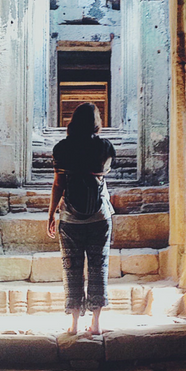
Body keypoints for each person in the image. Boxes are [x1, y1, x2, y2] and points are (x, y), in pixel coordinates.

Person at [47, 102, 115, 335]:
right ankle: (95, 324)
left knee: (71, 269)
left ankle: (74, 324)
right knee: (99, 267)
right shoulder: (105, 146)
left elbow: (59, 184)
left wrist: (51, 214)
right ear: (96, 122)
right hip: (100, 216)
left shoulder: (62, 148)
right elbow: (103, 173)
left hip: (70, 217)